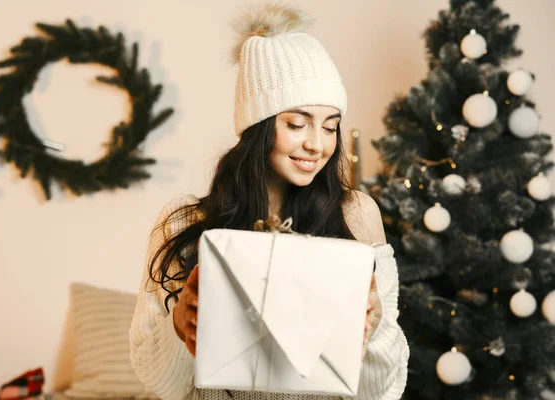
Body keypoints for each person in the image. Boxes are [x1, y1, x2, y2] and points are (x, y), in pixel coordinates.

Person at [129, 3, 409, 399]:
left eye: (330, 127)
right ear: (257, 128)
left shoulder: (357, 215)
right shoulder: (183, 222)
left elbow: (383, 390)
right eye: (296, 124)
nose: (317, 144)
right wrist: (179, 326)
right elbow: (164, 385)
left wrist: (375, 326)